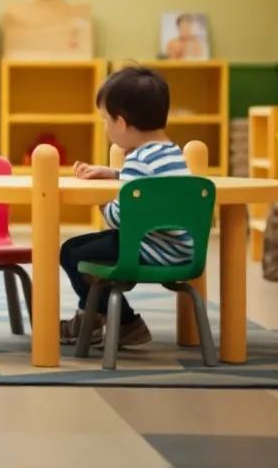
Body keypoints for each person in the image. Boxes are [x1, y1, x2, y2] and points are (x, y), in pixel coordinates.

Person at [59, 66, 192, 349]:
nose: (106, 128)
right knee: (85, 250)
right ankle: (94, 318)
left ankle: (123, 322)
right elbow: (152, 188)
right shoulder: (170, 152)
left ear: (120, 123)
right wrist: (115, 175)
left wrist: (101, 200)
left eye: (106, 120)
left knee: (72, 253)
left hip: (150, 248)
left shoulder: (137, 161)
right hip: (181, 247)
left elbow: (121, 220)